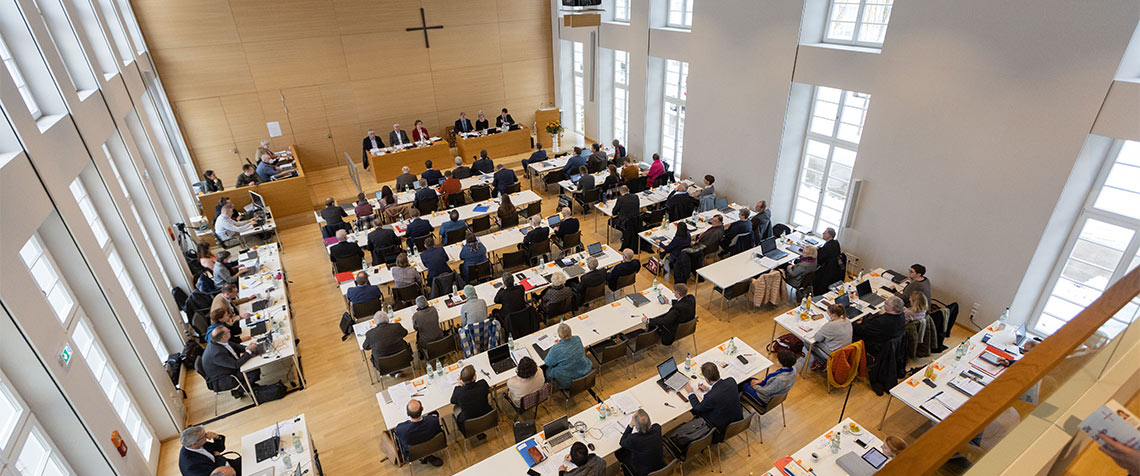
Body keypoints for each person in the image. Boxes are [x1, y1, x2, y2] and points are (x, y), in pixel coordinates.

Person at [682, 362, 742, 442]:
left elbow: (697, 408)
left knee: (693, 410)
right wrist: (709, 389)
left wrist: (691, 392)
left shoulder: (710, 397)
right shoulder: (731, 381)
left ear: (707, 379)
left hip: (720, 430)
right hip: (738, 422)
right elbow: (722, 392)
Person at [201, 326, 261, 392]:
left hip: (229, 367)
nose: (230, 330)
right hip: (225, 378)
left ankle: (249, 386)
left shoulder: (219, 341)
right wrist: (249, 351)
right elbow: (236, 365)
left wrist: (247, 348)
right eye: (228, 332)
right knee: (254, 371)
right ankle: (239, 391)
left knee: (252, 363)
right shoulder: (217, 353)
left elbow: (236, 346)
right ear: (224, 336)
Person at [394, 399, 445, 467]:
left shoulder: (401, 429)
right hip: (434, 446)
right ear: (422, 409)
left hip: (413, 454)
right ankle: (428, 456)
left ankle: (425, 457)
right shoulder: (433, 420)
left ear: (407, 414)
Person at [617, 409, 666, 476]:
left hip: (643, 471)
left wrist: (631, 425)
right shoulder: (657, 428)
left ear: (636, 425)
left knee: (619, 452)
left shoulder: (634, 439)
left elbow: (622, 442)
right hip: (661, 466)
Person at [544, 323, 592, 390]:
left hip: (568, 380)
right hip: (584, 371)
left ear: (559, 335)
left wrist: (556, 346)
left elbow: (548, 363)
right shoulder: (577, 339)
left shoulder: (555, 349)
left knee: (547, 371)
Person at [450, 365, 493, 434]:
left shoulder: (458, 392)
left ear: (461, 379)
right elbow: (487, 390)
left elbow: (452, 401)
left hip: (468, 424)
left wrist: (459, 385)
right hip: (487, 415)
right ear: (474, 377)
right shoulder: (483, 384)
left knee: (456, 408)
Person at [811, 304, 853, 370]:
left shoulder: (830, 325)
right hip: (845, 350)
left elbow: (817, 338)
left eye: (828, 313)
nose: (826, 315)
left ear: (833, 315)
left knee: (809, 344)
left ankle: (822, 362)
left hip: (834, 353)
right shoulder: (847, 320)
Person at [611, 185, 641, 251]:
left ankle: (624, 233)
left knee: (610, 221)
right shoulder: (636, 196)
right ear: (628, 190)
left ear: (621, 192)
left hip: (625, 222)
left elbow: (614, 212)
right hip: (636, 220)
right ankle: (625, 234)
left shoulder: (620, 199)